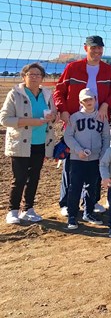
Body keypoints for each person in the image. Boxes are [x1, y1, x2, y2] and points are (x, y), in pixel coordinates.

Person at [54, 35, 111, 216]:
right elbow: (59, 91)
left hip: (98, 121)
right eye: (93, 49)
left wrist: (106, 105)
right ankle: (66, 203)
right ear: (86, 49)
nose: (97, 52)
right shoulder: (72, 67)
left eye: (100, 49)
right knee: (71, 162)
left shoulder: (109, 70)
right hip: (76, 120)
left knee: (97, 161)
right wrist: (63, 110)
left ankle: (91, 201)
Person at [1, 63, 57, 224]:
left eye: (37, 75)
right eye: (30, 74)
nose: (34, 77)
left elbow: (53, 114)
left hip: (41, 143)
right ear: (23, 76)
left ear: (42, 78)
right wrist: (30, 121)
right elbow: (4, 119)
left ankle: (28, 209)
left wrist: (53, 116)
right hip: (21, 143)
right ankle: (12, 211)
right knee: (18, 179)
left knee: (34, 178)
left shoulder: (46, 94)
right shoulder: (15, 94)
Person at [63, 88, 111, 230]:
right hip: (78, 158)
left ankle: (88, 212)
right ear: (80, 102)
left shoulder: (102, 117)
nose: (88, 102)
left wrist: (103, 155)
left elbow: (106, 137)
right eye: (85, 100)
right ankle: (72, 215)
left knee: (92, 186)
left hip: (95, 158)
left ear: (95, 100)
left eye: (90, 99)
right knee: (75, 187)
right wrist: (78, 150)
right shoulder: (75, 117)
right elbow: (68, 136)